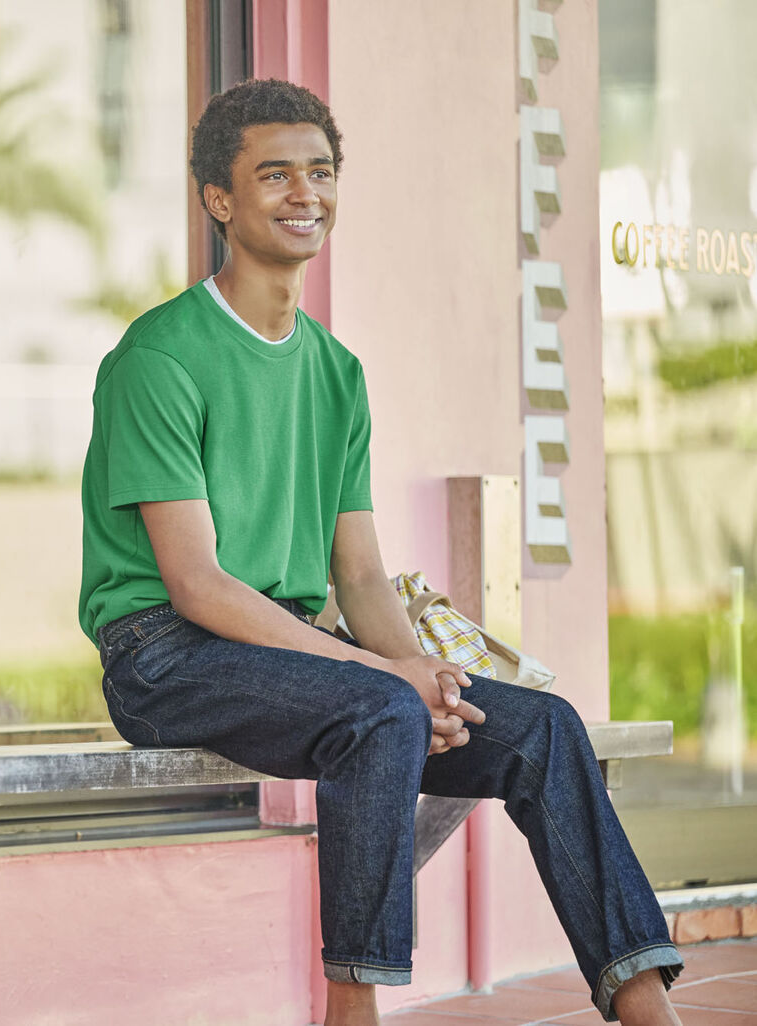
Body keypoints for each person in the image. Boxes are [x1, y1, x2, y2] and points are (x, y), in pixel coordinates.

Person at [78, 80, 683, 1026]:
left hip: (292, 646)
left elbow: (358, 573)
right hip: (163, 653)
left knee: (545, 727)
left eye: (319, 172)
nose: (303, 194)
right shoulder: (160, 358)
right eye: (273, 175)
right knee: (376, 710)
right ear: (218, 199)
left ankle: (646, 1003)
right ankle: (351, 1009)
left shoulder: (335, 371)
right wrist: (383, 674)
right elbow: (195, 584)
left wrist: (425, 672)